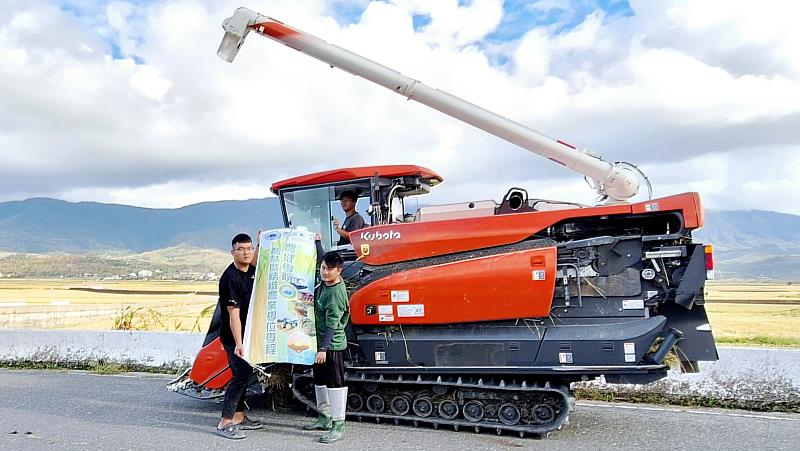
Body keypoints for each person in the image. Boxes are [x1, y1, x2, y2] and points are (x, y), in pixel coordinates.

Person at [214, 233, 263, 440]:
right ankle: (225, 422)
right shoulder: (230, 278)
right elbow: (234, 314)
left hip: (248, 333)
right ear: (232, 252)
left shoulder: (251, 269)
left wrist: (262, 242)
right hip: (233, 337)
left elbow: (257, 258)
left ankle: (239, 416)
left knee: (246, 374)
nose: (246, 252)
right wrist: (239, 343)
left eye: (249, 248)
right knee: (240, 375)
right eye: (241, 249)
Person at [302, 251, 350, 443]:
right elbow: (322, 256)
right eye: (323, 268)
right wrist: (318, 242)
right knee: (320, 381)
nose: (325, 272)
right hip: (319, 341)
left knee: (335, 384)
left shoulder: (335, 293)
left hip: (332, 345)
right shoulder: (325, 282)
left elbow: (332, 323)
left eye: (330, 270)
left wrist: (323, 349)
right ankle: (324, 418)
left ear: (339, 271)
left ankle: (339, 425)